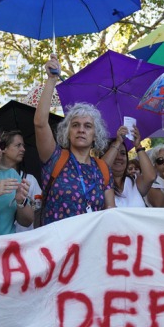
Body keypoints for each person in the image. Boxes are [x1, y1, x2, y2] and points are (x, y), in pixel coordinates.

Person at [34, 55, 114, 225]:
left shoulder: (102, 169)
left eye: (88, 126)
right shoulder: (55, 158)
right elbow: (40, 124)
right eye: (75, 125)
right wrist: (51, 80)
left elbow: (111, 215)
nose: (81, 130)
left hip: (90, 247)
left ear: (95, 135)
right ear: (67, 132)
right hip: (56, 247)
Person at [103, 126, 155, 208]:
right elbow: (102, 169)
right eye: (115, 153)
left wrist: (138, 146)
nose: (119, 157)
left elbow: (151, 177)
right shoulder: (99, 185)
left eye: (123, 153)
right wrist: (118, 142)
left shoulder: (133, 181)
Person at [0, 130, 42, 232]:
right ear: (4, 148)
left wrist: (30, 203)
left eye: (23, 145)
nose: (23, 149)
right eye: (18, 145)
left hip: (26, 238)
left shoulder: (29, 179)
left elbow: (38, 209)